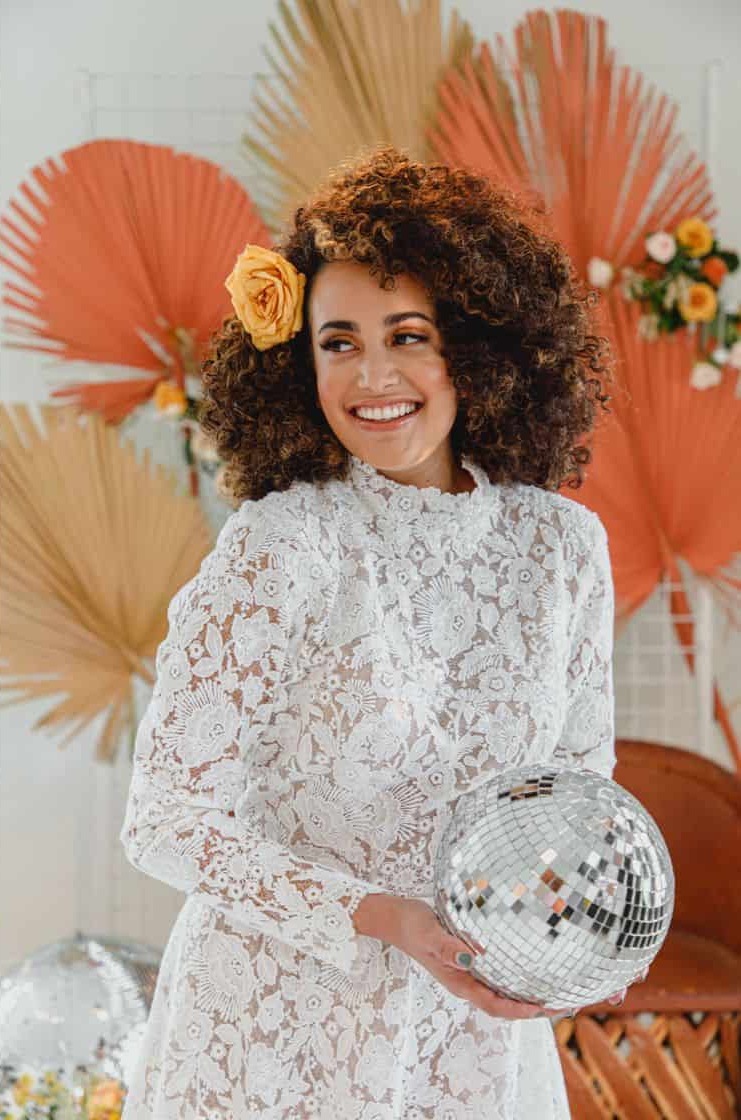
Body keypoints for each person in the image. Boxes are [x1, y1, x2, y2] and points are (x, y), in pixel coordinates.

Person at [119, 147, 634, 1119]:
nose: (374, 376)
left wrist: (579, 926)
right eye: (339, 343)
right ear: (298, 361)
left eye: (408, 335)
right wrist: (381, 917)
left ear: (476, 350)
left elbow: (577, 788)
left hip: (468, 1035)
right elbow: (168, 819)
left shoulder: (563, 546)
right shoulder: (282, 546)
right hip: (276, 1029)